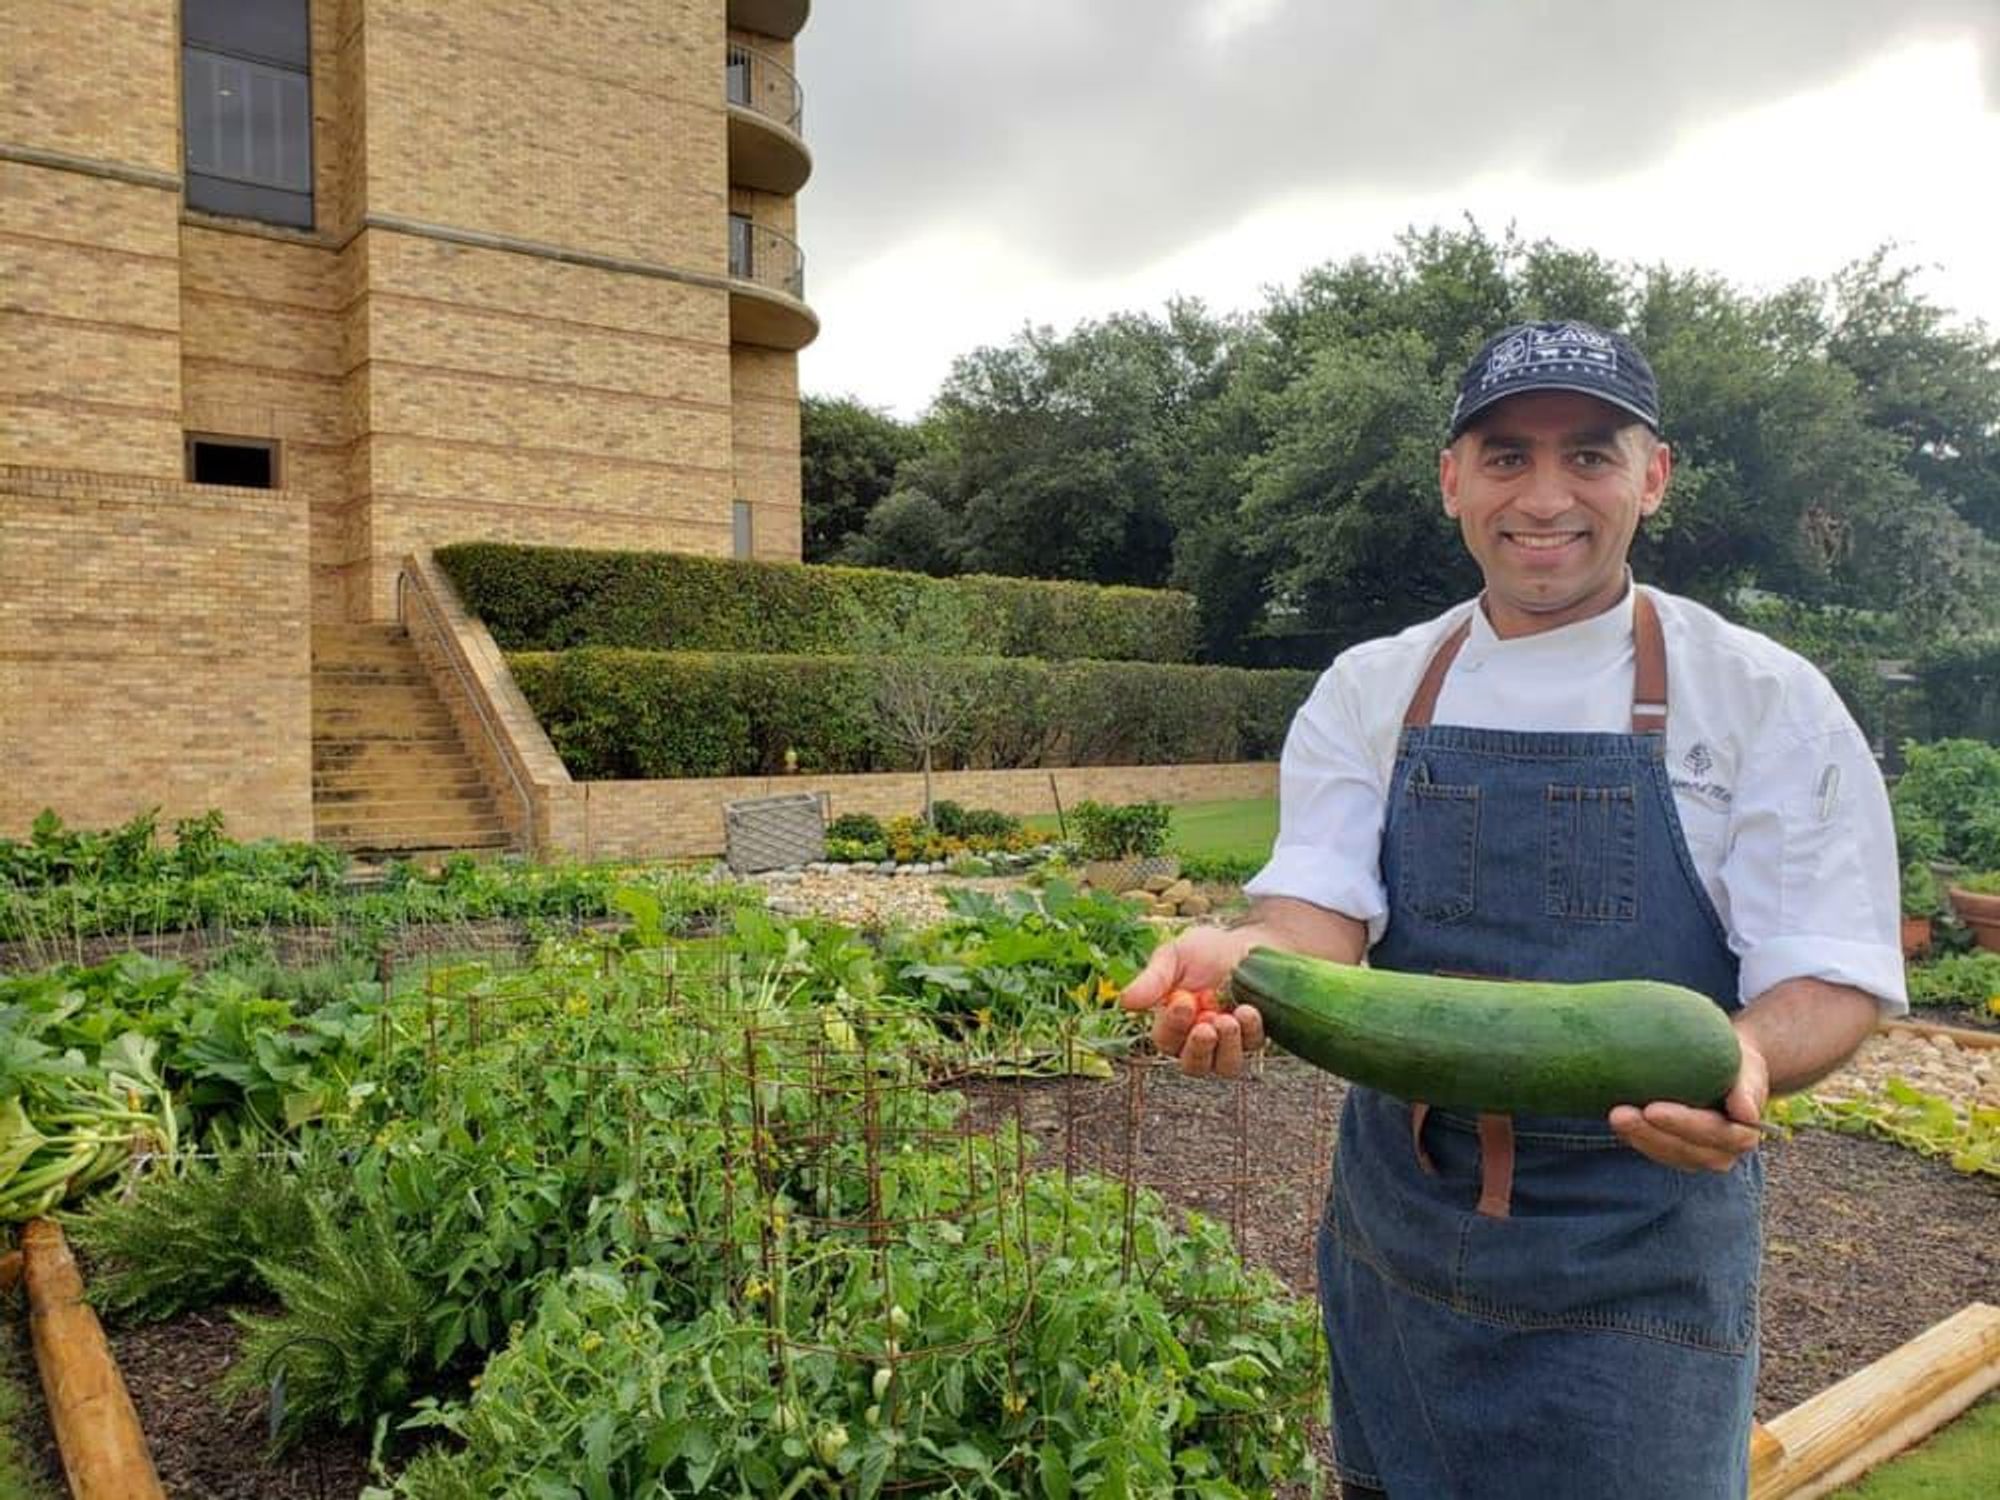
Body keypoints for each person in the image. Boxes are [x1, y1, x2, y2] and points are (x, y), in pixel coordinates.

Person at [1121, 319, 1906, 1500]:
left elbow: (1829, 970)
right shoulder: (1370, 686)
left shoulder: (1760, 698)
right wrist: (1234, 967)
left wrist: (1741, 1051)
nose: (1544, 496)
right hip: (1397, 1236)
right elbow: (1314, 928)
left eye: (1588, 455)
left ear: (1653, 476)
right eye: (1503, 456)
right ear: (1451, 482)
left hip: (1638, 1259)